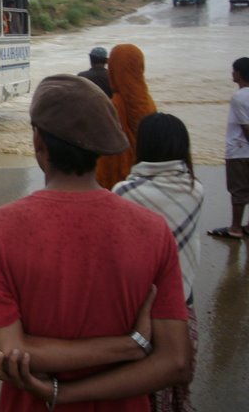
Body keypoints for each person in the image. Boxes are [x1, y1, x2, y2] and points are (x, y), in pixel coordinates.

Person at [0, 74, 192, 411]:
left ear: (38, 142)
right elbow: (176, 361)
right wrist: (130, 345)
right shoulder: (153, 230)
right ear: (99, 149)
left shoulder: (0, 227)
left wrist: (56, 393)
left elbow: (10, 351)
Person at [113, 112, 203, 412]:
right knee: (175, 390)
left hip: (140, 310)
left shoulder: (124, 193)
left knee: (143, 390)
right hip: (181, 306)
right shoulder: (196, 191)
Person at [96, 44, 157, 189]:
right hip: (148, 184)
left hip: (118, 187)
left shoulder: (112, 107)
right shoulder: (149, 102)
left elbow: (103, 158)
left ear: (113, 69)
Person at [208, 57, 249, 239]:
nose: (232, 73)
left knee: (238, 190)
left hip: (239, 150)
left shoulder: (239, 97)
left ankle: (235, 228)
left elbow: (246, 127)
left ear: (239, 73)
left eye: (233, 70)